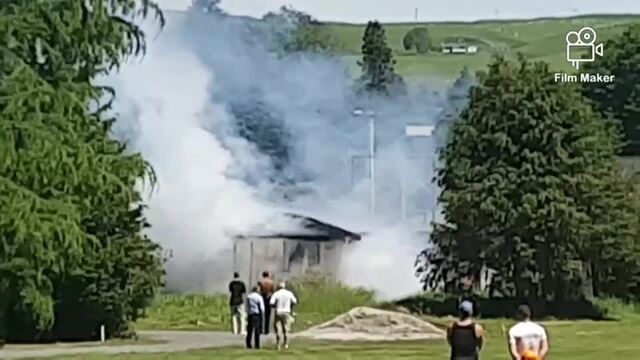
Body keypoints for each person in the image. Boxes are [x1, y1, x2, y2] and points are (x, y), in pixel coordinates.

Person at [270, 281, 297, 350]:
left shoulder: (276, 294)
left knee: (278, 329)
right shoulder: (289, 293)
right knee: (286, 329)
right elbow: (294, 301)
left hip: (278, 312)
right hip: (286, 312)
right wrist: (290, 306)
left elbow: (271, 302)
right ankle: (286, 344)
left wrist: (275, 306)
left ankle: (278, 344)